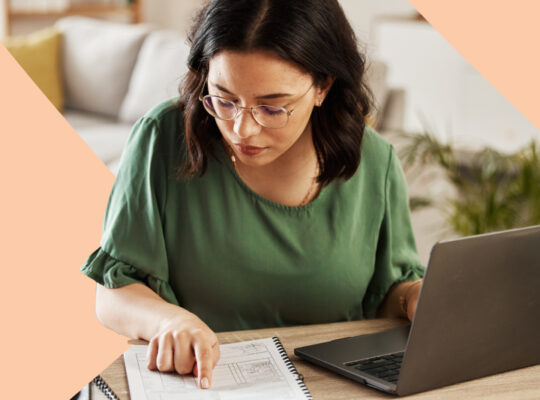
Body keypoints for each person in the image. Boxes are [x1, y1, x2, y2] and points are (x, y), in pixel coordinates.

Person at [81, 0, 425, 391]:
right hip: (203, 386)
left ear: (322, 87)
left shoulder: (375, 162)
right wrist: (169, 321)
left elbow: (389, 294)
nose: (242, 129)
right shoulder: (162, 138)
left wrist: (414, 298)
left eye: (273, 107)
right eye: (224, 99)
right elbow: (112, 293)